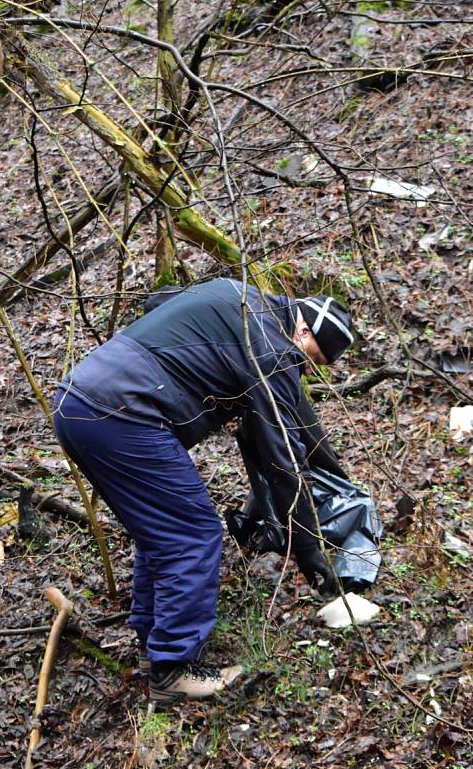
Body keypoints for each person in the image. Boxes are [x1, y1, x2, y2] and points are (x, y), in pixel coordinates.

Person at [53, 278, 354, 705]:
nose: (304, 370)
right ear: (303, 332)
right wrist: (309, 552)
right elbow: (284, 461)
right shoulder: (270, 348)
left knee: (160, 531)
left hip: (76, 400)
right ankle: (174, 670)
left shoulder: (236, 293)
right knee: (193, 533)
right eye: (311, 360)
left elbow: (158, 301)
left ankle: (152, 644)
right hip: (122, 412)